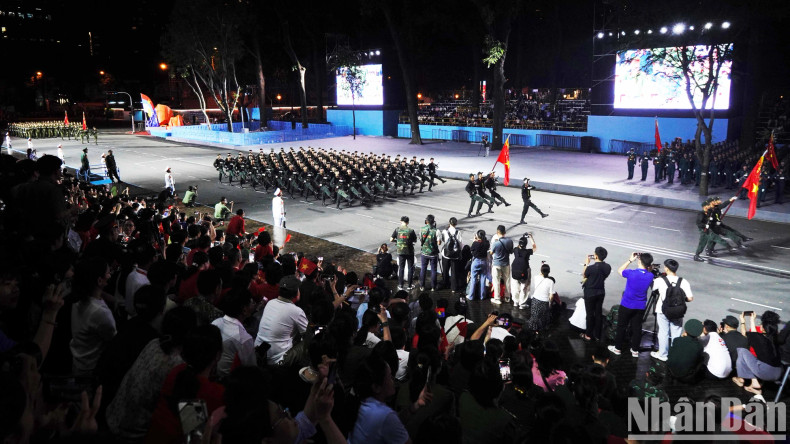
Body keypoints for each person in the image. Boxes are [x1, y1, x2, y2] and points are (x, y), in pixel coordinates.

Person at [348, 355, 423, 444]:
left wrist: (416, 404)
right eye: (389, 376)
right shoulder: (385, 415)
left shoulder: (363, 403)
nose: (393, 379)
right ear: (376, 387)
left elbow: (390, 423)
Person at [70, 257, 116, 376]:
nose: (110, 275)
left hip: (78, 362)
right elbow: (112, 339)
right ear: (100, 281)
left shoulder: (77, 301)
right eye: (108, 272)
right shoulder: (100, 312)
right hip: (91, 369)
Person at [254, 275, 308, 365]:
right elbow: (308, 334)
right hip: (278, 361)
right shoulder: (297, 311)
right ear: (295, 293)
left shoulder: (270, 303)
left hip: (258, 354)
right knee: (309, 341)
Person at [608, 252, 654, 358]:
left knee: (621, 327)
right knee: (637, 328)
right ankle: (635, 351)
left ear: (639, 261)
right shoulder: (650, 275)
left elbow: (620, 270)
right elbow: (648, 272)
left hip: (627, 305)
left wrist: (630, 260)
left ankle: (618, 348)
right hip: (640, 306)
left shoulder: (631, 273)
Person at [649, 259, 694, 362]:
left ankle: (663, 354)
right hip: (678, 311)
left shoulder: (660, 280)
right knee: (676, 333)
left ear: (667, 268)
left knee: (663, 333)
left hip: (662, 310)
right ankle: (674, 355)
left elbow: (652, 287)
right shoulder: (683, 281)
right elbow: (690, 298)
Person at [733, 311, 783, 396]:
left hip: (766, 372)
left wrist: (749, 320)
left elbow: (752, 334)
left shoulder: (761, 340)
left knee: (742, 350)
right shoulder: (776, 338)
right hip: (779, 372)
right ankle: (755, 388)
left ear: (763, 328)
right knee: (758, 359)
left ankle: (749, 381)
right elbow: (754, 334)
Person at [211, 288, 256, 378]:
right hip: (231, 380)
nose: (254, 305)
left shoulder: (215, 322)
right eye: (252, 303)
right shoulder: (243, 338)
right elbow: (251, 368)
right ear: (244, 310)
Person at [581, 246, 611, 342]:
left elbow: (584, 274)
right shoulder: (608, 267)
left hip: (590, 293)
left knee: (590, 314)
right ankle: (597, 334)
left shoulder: (591, 268)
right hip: (601, 292)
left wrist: (586, 262)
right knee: (598, 313)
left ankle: (588, 334)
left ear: (596, 256)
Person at [666, 319, 704, 383]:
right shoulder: (699, 346)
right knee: (702, 359)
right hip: (686, 377)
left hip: (670, 371)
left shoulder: (677, 340)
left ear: (686, 331)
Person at [390, 216, 417, 291]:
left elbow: (391, 239)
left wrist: (397, 241)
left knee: (401, 268)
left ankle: (400, 285)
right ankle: (409, 285)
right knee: (410, 268)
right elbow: (415, 240)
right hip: (410, 251)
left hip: (400, 251)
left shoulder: (397, 229)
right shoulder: (411, 230)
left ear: (400, 221)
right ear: (408, 222)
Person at [510, 233, 536, 310]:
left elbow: (518, 247)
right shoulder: (527, 252)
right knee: (524, 287)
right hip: (524, 271)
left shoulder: (515, 250)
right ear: (526, 244)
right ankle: (522, 303)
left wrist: (521, 240)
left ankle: (515, 302)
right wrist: (531, 238)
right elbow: (534, 247)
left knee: (515, 287)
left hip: (514, 270)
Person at [526, 263, 555, 331]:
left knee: (534, 315)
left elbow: (540, 274)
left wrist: (542, 265)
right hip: (544, 302)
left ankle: (533, 328)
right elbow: (551, 295)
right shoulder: (551, 281)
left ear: (541, 271)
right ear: (549, 272)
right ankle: (540, 328)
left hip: (535, 300)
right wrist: (550, 303)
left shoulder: (536, 277)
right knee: (542, 316)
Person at [489, 225, 514, 305]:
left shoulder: (496, 243)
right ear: (505, 232)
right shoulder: (510, 241)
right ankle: (507, 297)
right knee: (507, 280)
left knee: (496, 281)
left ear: (497, 232)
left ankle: (497, 298)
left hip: (496, 264)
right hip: (506, 263)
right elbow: (511, 251)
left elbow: (491, 253)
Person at [440, 217, 464, 295]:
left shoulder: (445, 231)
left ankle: (445, 284)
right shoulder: (458, 232)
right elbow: (460, 244)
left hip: (446, 254)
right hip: (455, 256)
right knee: (454, 272)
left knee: (445, 270)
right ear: (456, 223)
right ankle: (453, 288)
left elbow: (443, 241)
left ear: (449, 223)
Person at [467, 229, 490, 301]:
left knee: (473, 278)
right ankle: (482, 296)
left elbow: (471, 249)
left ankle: (471, 296)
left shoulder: (476, 243)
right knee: (483, 278)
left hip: (476, 261)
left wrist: (474, 241)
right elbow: (486, 244)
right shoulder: (486, 243)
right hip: (484, 261)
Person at [419, 214, 440, 291]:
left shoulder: (422, 229)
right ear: (433, 222)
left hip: (424, 252)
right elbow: (439, 243)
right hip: (433, 254)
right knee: (433, 270)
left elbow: (421, 239)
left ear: (426, 221)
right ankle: (433, 287)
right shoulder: (436, 231)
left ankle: (422, 286)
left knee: (423, 269)